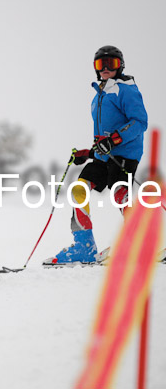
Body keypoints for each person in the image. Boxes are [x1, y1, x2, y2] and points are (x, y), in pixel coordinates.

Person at [46, 46, 148, 265]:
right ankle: (85, 247)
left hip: (125, 153)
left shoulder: (126, 90)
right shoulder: (100, 95)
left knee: (120, 191)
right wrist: (89, 152)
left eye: (110, 63)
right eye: (100, 65)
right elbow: (102, 134)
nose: (104, 69)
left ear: (120, 65)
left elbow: (140, 122)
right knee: (79, 188)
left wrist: (114, 141)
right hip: (103, 156)